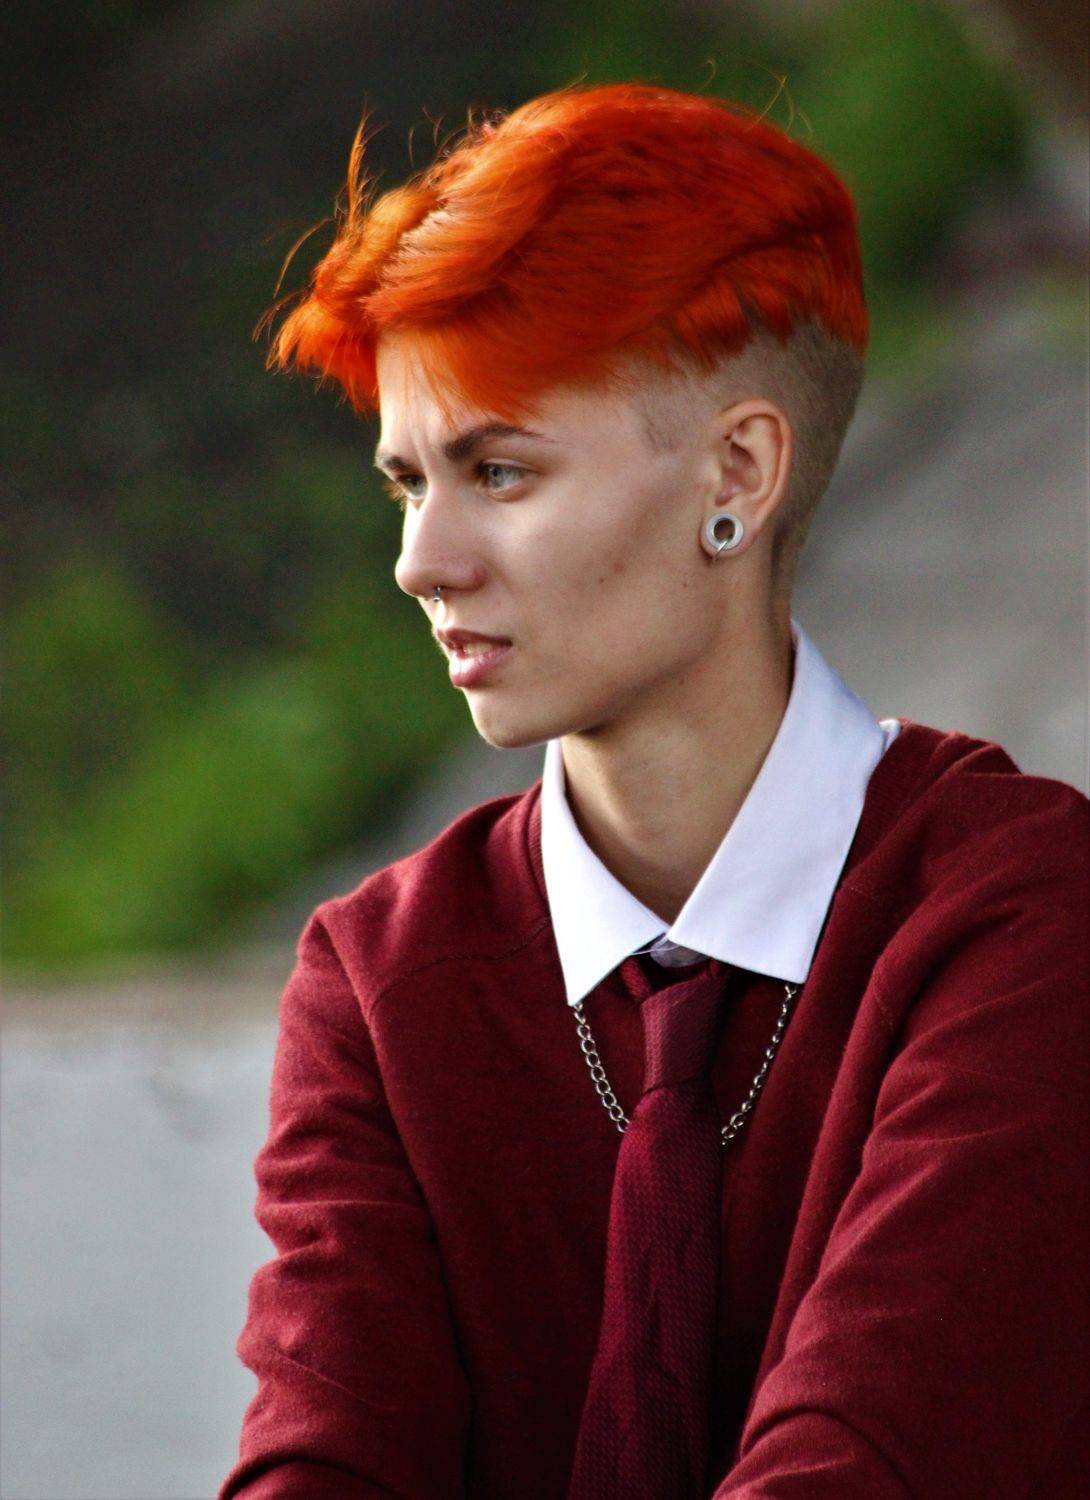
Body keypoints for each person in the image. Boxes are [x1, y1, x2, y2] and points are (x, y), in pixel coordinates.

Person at [219, 82, 1089, 1498]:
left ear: (737, 471)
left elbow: (866, 1461)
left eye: (498, 470)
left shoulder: (1021, 913)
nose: (421, 561)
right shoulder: (378, 981)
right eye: (407, 485)